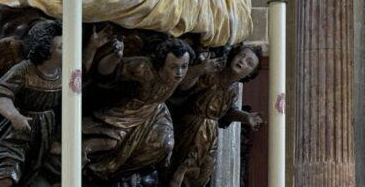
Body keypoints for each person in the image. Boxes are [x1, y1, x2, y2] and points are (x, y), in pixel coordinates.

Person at [82, 38, 192, 181]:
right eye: (173, 66)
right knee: (110, 143)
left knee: (164, 145)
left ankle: (124, 174)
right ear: (161, 63)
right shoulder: (142, 68)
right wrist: (115, 57)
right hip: (125, 113)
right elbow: (104, 75)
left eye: (184, 66)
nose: (179, 72)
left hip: (154, 113)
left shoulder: (177, 77)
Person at [167, 46, 263, 187]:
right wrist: (200, 70)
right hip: (187, 123)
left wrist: (245, 117)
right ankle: (179, 172)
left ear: (250, 73)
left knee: (207, 166)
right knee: (206, 125)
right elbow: (182, 88)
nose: (242, 61)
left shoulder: (233, 90)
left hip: (208, 137)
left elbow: (225, 113)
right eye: (241, 55)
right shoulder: (213, 72)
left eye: (249, 63)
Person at [0, 22, 62, 186]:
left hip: (46, 131)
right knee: (6, 174)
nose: (69, 51)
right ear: (46, 50)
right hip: (17, 131)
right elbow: (1, 95)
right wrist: (14, 116)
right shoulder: (24, 69)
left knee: (32, 174)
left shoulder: (65, 71)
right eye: (62, 47)